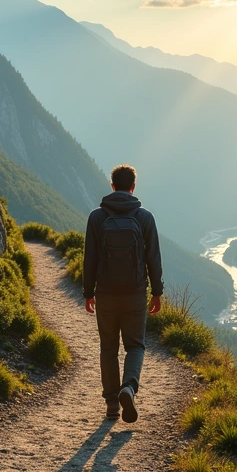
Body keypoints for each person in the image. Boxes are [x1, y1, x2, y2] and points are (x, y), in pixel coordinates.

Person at [83, 164, 163, 423]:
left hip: (106, 293)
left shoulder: (97, 218)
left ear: (112, 185)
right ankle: (128, 388)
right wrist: (157, 292)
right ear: (133, 187)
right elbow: (153, 258)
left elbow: (90, 258)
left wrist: (88, 292)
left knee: (108, 347)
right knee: (135, 345)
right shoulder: (145, 218)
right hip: (135, 293)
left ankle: (111, 405)